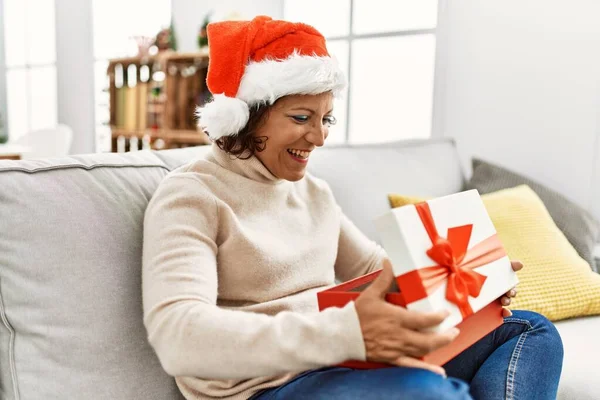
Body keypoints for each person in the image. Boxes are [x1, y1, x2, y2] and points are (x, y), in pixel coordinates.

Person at [142, 16, 563, 400]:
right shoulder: (192, 195)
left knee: (531, 330)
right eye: (302, 117)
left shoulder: (314, 194)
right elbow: (180, 336)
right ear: (245, 117)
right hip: (265, 388)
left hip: (343, 360)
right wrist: (344, 333)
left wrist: (472, 288)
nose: (318, 138)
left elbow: (380, 273)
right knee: (427, 393)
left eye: (326, 119)